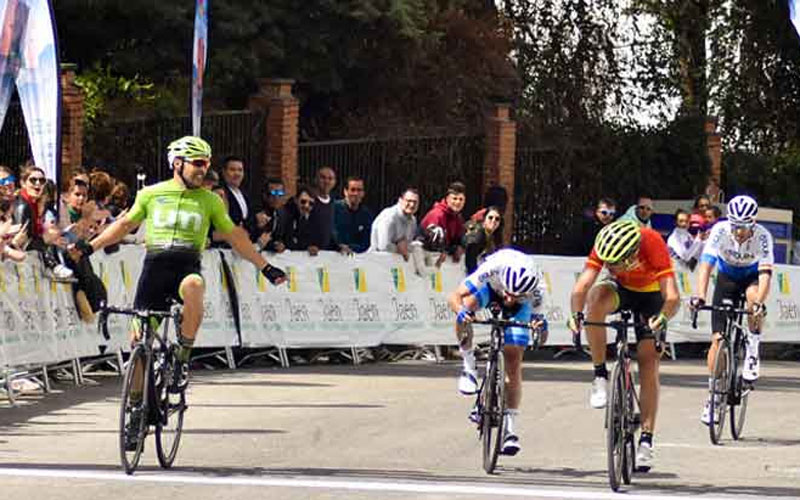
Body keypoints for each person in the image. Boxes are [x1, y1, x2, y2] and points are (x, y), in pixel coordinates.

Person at [70, 136, 287, 449]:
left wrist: (265, 267)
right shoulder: (152, 194)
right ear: (177, 163)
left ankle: (181, 358)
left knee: (196, 286)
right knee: (138, 346)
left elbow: (235, 236)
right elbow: (124, 225)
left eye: (207, 164)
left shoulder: (210, 200)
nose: (203, 169)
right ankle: (134, 414)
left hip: (187, 266)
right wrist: (88, 247)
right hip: (154, 271)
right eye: (197, 163)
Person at [568, 220, 679, 471]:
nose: (609, 266)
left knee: (649, 363)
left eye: (615, 263)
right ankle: (600, 375)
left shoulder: (652, 243)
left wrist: (661, 319)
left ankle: (647, 441)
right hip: (622, 290)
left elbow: (672, 297)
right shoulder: (606, 241)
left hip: (652, 296)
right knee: (594, 300)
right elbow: (582, 286)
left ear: (630, 256)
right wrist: (575, 315)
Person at [448, 248, 549, 456]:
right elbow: (454, 296)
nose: (510, 299)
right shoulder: (492, 268)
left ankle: (510, 429)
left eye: (516, 295)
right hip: (491, 290)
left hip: (523, 308)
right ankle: (468, 366)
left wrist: (539, 327)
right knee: (466, 305)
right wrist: (462, 312)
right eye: (509, 293)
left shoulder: (538, 289)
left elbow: (542, 329)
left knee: (513, 361)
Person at [689, 195, 773, 425]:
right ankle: (714, 397)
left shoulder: (763, 236)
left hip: (751, 277)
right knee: (717, 341)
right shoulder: (720, 230)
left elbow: (765, 274)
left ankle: (753, 348)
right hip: (726, 279)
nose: (738, 232)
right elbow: (706, 265)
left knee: (754, 299)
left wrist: (759, 303)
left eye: (743, 227)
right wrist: (699, 295)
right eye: (735, 225)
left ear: (752, 223)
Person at [419, 182, 467, 263]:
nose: (458, 202)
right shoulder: (437, 215)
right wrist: (450, 250)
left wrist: (459, 247)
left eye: (461, 199)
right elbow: (433, 243)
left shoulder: (458, 218)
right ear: (447, 199)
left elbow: (459, 239)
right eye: (454, 198)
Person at [368, 188, 420, 260]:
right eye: (409, 201)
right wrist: (398, 248)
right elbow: (383, 246)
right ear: (400, 200)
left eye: (415, 202)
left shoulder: (413, 221)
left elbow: (407, 245)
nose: (412, 205)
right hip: (376, 262)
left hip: (398, 264)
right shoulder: (389, 217)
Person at [272, 185, 320, 254]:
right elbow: (275, 238)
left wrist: (309, 247)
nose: (307, 206)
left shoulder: (307, 218)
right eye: (303, 201)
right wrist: (276, 245)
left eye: (311, 204)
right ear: (296, 200)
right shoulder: (282, 215)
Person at [333, 176, 373, 254]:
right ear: (345, 191)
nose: (356, 193)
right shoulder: (334, 209)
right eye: (352, 190)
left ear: (363, 193)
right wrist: (339, 246)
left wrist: (351, 248)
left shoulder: (367, 215)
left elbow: (367, 242)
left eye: (359, 190)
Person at [463, 206, 502, 274]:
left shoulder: (491, 236)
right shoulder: (478, 234)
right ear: (484, 219)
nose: (493, 221)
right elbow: (470, 256)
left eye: (497, 219)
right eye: (490, 217)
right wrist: (473, 276)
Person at [252, 178, 286, 252]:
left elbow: (283, 237)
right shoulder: (255, 213)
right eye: (273, 193)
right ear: (265, 195)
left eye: (280, 194)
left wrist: (281, 245)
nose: (277, 198)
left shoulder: (282, 214)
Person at [309, 166, 337, 250]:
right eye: (323, 178)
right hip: (308, 254)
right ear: (316, 180)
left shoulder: (334, 203)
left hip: (326, 255)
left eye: (330, 178)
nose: (326, 181)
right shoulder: (308, 201)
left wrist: (338, 246)